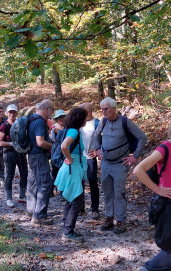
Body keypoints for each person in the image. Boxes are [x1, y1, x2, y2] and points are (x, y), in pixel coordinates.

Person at [133, 112, 171, 271]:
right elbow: (138, 170)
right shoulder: (164, 149)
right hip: (167, 206)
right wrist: (158, 189)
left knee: (169, 248)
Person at [94, 97, 147, 234]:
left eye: (106, 109)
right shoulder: (103, 121)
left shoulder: (125, 122)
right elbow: (96, 134)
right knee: (107, 192)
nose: (103, 111)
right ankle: (108, 218)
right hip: (106, 163)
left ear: (114, 109)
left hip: (120, 164)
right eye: (102, 109)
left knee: (119, 193)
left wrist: (134, 156)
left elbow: (142, 137)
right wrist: (98, 148)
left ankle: (121, 221)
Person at [55, 107, 88, 243]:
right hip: (72, 169)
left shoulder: (69, 130)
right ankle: (68, 231)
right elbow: (64, 146)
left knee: (70, 199)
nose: (86, 119)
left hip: (69, 168)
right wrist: (70, 158)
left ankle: (66, 227)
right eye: (85, 117)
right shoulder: (74, 131)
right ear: (80, 119)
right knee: (77, 201)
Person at [27, 99, 54, 226]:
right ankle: (39, 216)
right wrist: (54, 146)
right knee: (44, 183)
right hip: (39, 156)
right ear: (46, 109)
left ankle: (31, 210)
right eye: (52, 109)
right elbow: (40, 142)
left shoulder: (32, 119)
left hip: (32, 155)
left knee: (33, 182)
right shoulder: (39, 122)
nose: (53, 112)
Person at [0, 104, 28, 206]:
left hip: (21, 152)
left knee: (24, 174)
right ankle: (9, 198)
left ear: (17, 113)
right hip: (9, 152)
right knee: (10, 175)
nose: (12, 114)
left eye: (14, 112)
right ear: (7, 113)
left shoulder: (21, 124)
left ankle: (22, 196)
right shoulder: (4, 125)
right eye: (10, 112)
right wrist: (11, 144)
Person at [80, 102, 100, 219]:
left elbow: (103, 138)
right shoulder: (79, 123)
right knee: (79, 183)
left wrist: (98, 150)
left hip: (90, 158)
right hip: (79, 158)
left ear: (89, 112)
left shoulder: (97, 123)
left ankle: (95, 208)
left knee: (93, 183)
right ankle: (80, 207)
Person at [50, 109, 66, 197]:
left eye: (63, 117)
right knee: (54, 173)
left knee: (64, 173)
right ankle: (50, 190)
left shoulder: (68, 127)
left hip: (65, 153)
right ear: (56, 119)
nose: (61, 119)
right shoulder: (53, 128)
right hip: (56, 154)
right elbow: (52, 140)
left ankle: (62, 194)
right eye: (59, 117)